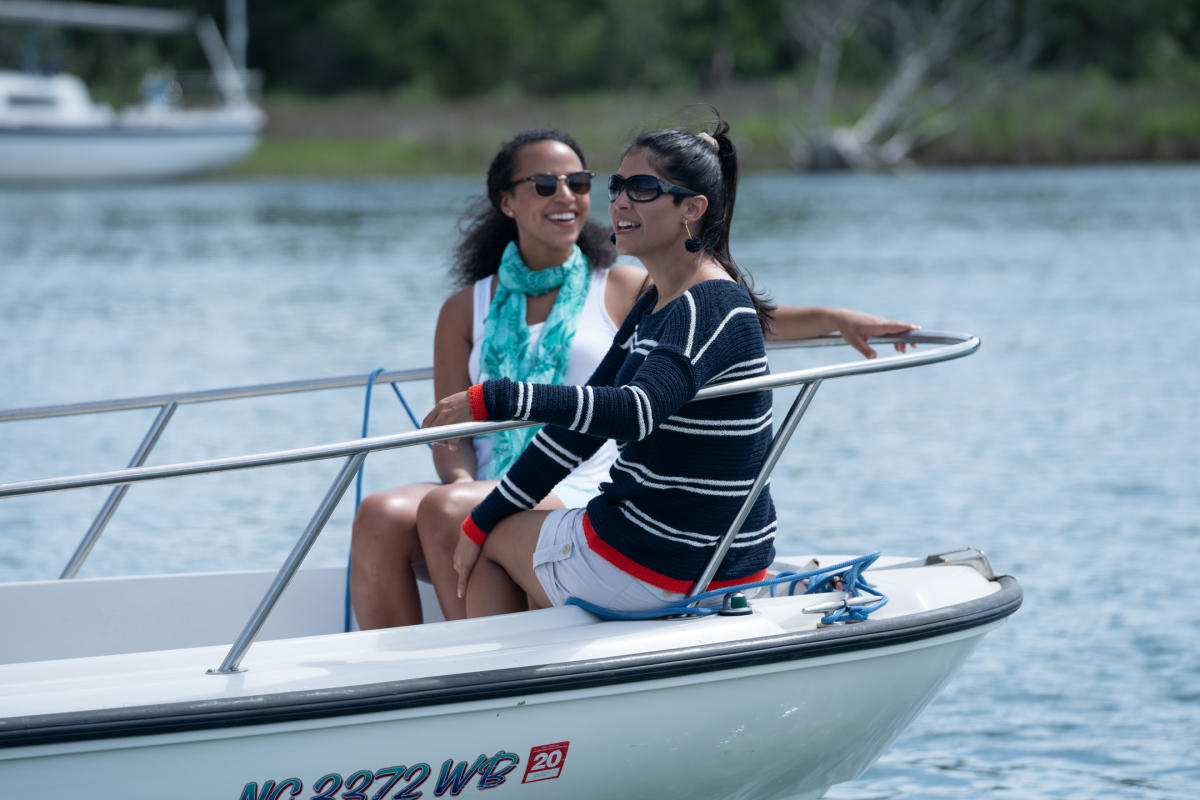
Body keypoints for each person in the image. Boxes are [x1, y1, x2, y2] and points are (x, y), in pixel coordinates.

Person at [354, 126, 918, 629]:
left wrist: (494, 399)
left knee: (482, 531)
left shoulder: (708, 305)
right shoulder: (660, 304)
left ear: (691, 209)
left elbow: (632, 410)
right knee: (477, 523)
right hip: (664, 547)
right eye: (618, 187)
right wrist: (488, 513)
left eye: (641, 190)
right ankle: (496, 679)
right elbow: (579, 428)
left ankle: (495, 695)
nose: (619, 202)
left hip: (664, 560)